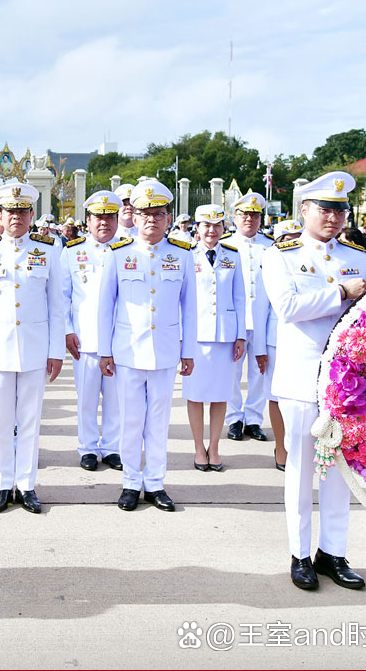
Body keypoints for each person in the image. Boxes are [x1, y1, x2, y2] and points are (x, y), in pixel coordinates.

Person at [261, 171, 366, 591]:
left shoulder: (359, 255)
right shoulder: (282, 254)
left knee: (340, 472)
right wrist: (340, 292)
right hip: (303, 377)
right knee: (302, 469)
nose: (333, 217)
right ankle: (300, 553)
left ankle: (334, 553)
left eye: (340, 210)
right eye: (325, 209)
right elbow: (287, 307)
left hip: (349, 382)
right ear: (304, 209)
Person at [98, 179, 196, 511]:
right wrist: (104, 350)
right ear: (134, 217)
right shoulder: (118, 253)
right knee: (130, 419)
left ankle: (154, 483)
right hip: (127, 350)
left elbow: (190, 307)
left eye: (158, 213)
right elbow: (105, 305)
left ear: (169, 217)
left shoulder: (182, 255)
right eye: (145, 213)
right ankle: (130, 482)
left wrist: (189, 351)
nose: (151, 219)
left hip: (166, 350)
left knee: (158, 419)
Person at [0, 182, 64, 514]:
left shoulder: (50, 248)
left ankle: (25, 484)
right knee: (0, 422)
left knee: (29, 420)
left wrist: (56, 350)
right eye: (10, 211)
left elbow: (57, 304)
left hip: (36, 348)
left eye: (22, 211)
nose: (16, 217)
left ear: (31, 214)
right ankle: (1, 484)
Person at [61, 190, 124, 472]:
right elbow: (62, 297)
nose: (104, 223)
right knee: (86, 398)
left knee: (116, 399)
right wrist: (66, 330)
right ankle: (87, 448)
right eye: (99, 217)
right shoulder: (72, 252)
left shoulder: (127, 250)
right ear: (88, 220)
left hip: (119, 338)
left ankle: (112, 447)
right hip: (84, 338)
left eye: (110, 217)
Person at [185, 204, 247, 471]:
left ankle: (215, 446)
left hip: (225, 334)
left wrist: (241, 335)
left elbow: (240, 297)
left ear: (223, 228)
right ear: (196, 229)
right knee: (196, 394)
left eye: (217, 225)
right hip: (196, 335)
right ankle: (199, 447)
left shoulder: (233, 255)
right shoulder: (186, 255)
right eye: (206, 225)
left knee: (221, 394)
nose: (212, 230)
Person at [223, 192, 273, 443]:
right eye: (244, 215)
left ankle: (253, 418)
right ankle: (234, 417)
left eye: (254, 215)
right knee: (232, 370)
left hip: (263, 318)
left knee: (260, 371)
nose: (249, 220)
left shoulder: (270, 246)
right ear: (235, 217)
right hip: (235, 319)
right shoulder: (225, 245)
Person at [262, 218, 304, 471]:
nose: (293, 242)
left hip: (308, 340)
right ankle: (281, 447)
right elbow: (261, 307)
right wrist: (258, 347)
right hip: (275, 338)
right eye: (287, 238)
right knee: (277, 396)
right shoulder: (274, 261)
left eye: (297, 237)